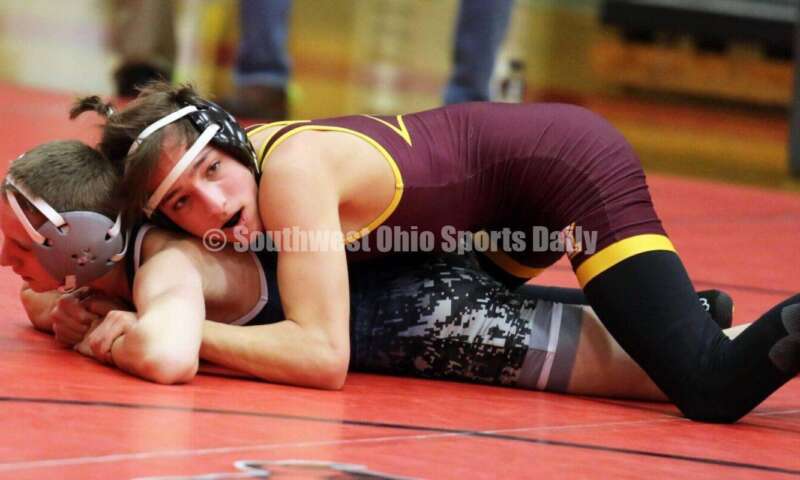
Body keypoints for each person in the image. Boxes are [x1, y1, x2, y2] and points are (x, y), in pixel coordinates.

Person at [81, 83, 799, 423]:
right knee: (450, 307)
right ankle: (683, 314)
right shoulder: (252, 166)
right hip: (499, 206)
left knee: (708, 385)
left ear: (232, 141)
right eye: (180, 203)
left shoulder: (292, 175)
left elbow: (322, 358)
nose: (212, 209)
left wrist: (163, 333)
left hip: (568, 173)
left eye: (210, 173)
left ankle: (687, 331)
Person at [1, 139, 738, 400]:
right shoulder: (116, 255)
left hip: (433, 321)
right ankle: (680, 311)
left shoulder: (168, 264)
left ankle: (705, 330)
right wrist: (59, 308)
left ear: (82, 245)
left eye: (18, 245)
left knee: (690, 370)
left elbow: (165, 353)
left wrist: (104, 335)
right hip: (426, 275)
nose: (6, 261)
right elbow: (49, 298)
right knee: (671, 331)